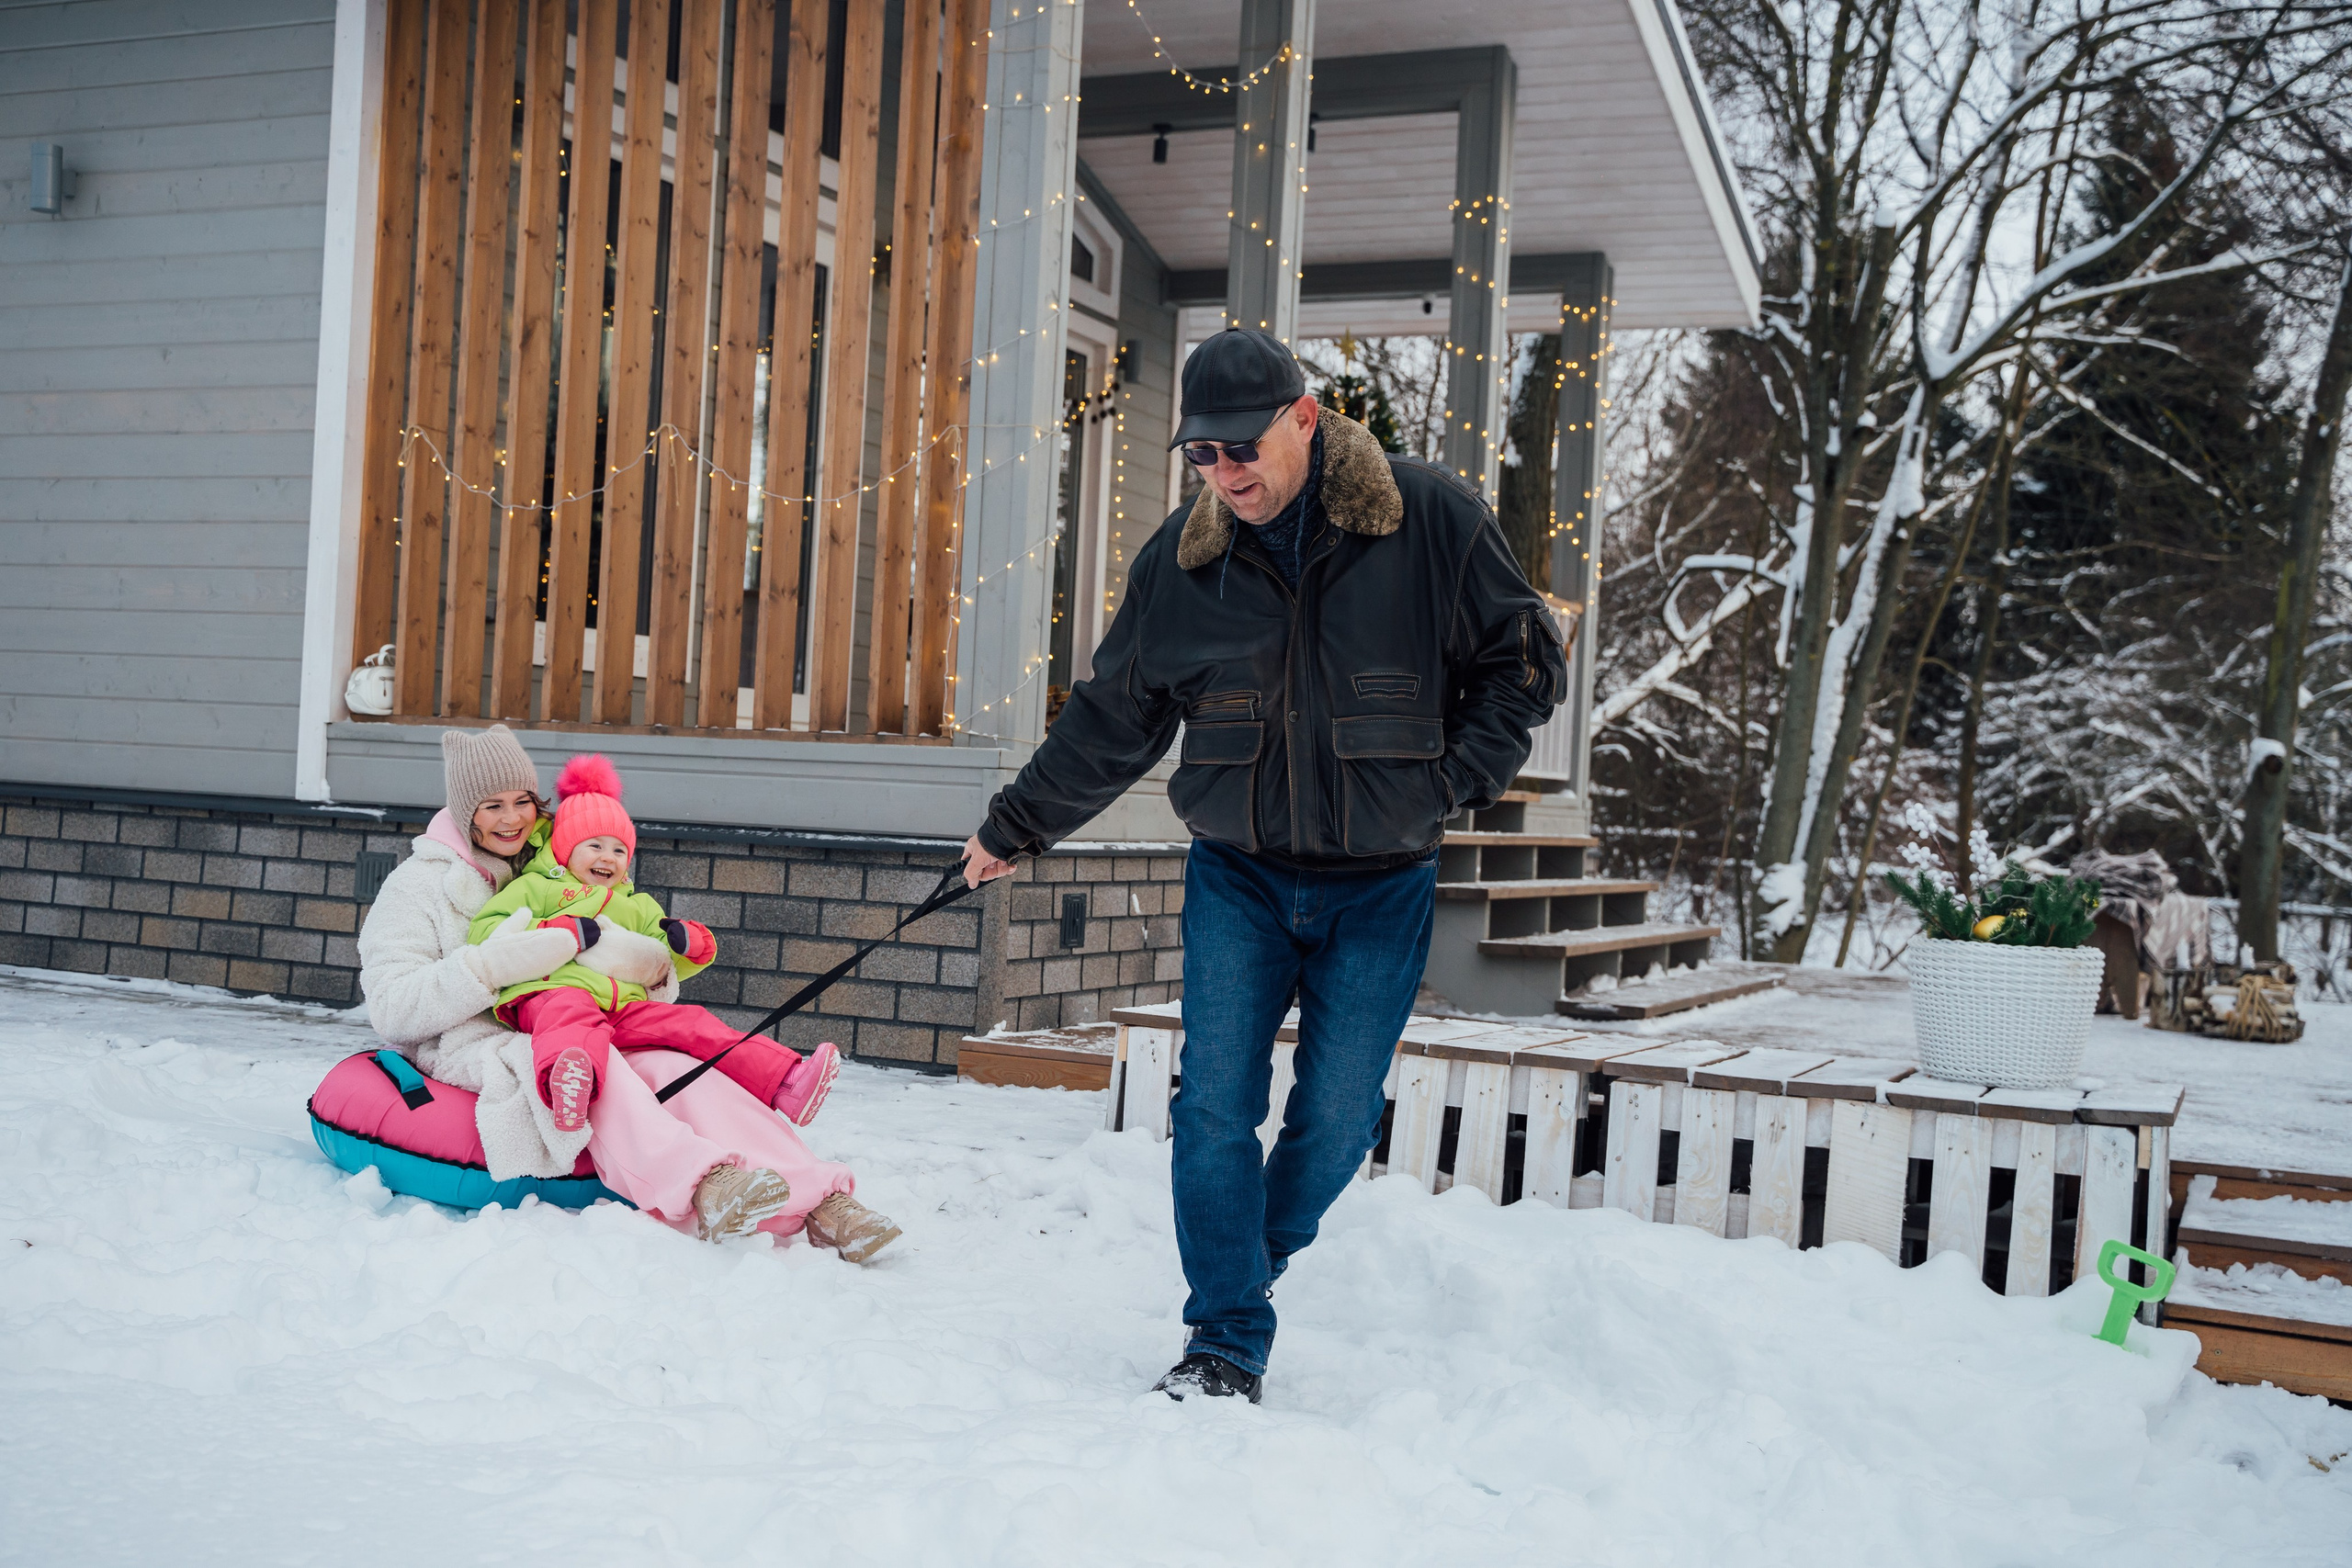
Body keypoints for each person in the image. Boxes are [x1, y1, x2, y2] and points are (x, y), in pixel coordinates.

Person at [960, 329, 1568, 1400]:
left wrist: (1446, 783)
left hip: (1381, 881)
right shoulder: (1185, 563)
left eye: (1241, 448)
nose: (1223, 473)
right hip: (1238, 873)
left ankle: (1254, 1254)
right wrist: (1015, 826)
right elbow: (1114, 717)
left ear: (1304, 415)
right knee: (1210, 1109)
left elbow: (1521, 663)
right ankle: (1227, 1335)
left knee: (1337, 1118)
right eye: (1200, 455)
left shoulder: (1427, 518)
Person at [356, 726, 895, 1260]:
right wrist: (493, 965)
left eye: (523, 801)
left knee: (682, 1068)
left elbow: (633, 936)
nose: (514, 818)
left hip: (600, 1015)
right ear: (465, 808)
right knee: (602, 1074)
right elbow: (392, 1005)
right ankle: (704, 1184)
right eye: (493, 805)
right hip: (488, 1038)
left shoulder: (570, 848)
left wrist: (652, 962)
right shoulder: (419, 885)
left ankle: (824, 1203)